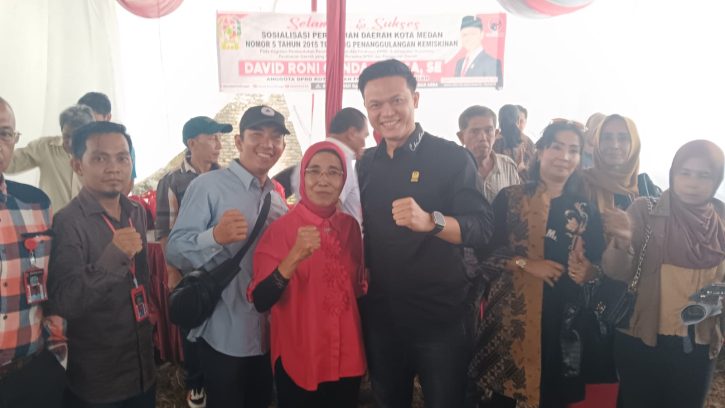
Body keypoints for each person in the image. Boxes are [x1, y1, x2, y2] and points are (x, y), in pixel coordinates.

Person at [356, 59, 493, 407]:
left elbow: (481, 228)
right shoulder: (366, 164)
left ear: (415, 99)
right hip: (383, 319)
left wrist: (433, 221)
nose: (387, 112)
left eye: (397, 100)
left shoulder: (452, 157)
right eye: (376, 104)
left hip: (441, 318)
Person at [468, 120, 606, 408]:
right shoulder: (510, 199)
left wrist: (588, 271)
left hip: (562, 325)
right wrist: (526, 263)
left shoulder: (585, 211)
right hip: (510, 322)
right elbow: (483, 253)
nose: (564, 156)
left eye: (573, 150)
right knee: (503, 398)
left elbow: (598, 266)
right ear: (540, 151)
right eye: (557, 147)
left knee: (552, 397)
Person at [166, 105, 290, 408]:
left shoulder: (276, 199)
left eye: (275, 137)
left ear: (283, 146)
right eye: (257, 134)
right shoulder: (208, 186)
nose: (267, 144)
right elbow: (175, 249)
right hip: (223, 331)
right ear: (238, 141)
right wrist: (214, 237)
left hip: (266, 334)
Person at [601, 140, 725, 408]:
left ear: (716, 179)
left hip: (698, 346)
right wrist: (621, 242)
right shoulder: (645, 211)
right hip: (642, 341)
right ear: (673, 173)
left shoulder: (722, 221)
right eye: (685, 173)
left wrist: (709, 303)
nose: (692, 183)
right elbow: (615, 271)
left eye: (704, 175)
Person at [249, 141, 367, 408]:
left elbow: (357, 292)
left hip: (347, 356)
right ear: (302, 176)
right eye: (314, 171)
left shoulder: (350, 228)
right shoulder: (281, 230)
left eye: (333, 172)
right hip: (301, 357)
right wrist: (293, 257)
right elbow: (261, 300)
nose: (323, 180)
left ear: (343, 180)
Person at [48, 121, 155, 407]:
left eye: (122, 158)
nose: (113, 168)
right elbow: (64, 301)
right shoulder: (68, 222)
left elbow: (141, 278)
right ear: (77, 165)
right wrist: (113, 256)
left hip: (143, 367)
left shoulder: (135, 212)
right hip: (98, 382)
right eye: (99, 158)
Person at [155, 116, 231, 408]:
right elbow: (166, 231)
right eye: (211, 137)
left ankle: (220, 380)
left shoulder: (227, 177)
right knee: (192, 327)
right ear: (191, 143)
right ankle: (195, 383)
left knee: (222, 325)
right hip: (189, 269)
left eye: (219, 137)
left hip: (223, 267)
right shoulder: (173, 181)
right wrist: (172, 271)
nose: (218, 144)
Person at [0, 97, 66, 408]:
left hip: (31, 374)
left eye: (4, 133)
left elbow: (53, 283)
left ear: (14, 141)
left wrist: (58, 355)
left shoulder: (36, 205)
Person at [282, 107, 369, 224]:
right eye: (364, 136)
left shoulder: (311, 157)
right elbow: (331, 207)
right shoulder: (341, 161)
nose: (364, 143)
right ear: (352, 133)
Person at [5, 104, 93, 211]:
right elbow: (9, 163)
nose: (70, 142)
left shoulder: (98, 156)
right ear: (61, 130)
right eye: (66, 136)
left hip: (86, 219)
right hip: (51, 218)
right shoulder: (44, 147)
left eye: (76, 137)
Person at [456, 105, 520, 203]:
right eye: (475, 131)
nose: (483, 137)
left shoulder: (508, 166)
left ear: (496, 134)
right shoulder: (453, 169)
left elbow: (516, 205)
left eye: (488, 131)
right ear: (461, 137)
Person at [454, 16, 503, 88]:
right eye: (464, 35)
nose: (468, 38)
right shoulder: (459, 63)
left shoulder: (492, 63)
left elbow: (495, 90)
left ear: (481, 35)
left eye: (472, 33)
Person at [493, 104, 536, 181]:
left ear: (499, 121)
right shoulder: (528, 142)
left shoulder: (493, 142)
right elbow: (534, 173)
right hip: (523, 185)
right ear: (518, 120)